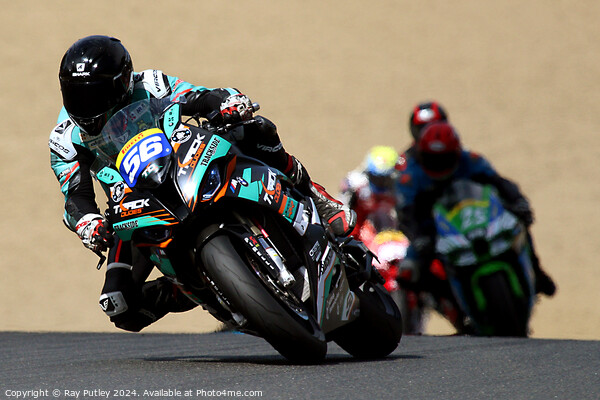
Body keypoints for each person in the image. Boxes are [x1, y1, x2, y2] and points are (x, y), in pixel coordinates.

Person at [48, 35, 355, 332]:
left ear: (122, 82)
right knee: (121, 305)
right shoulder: (64, 138)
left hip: (180, 165)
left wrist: (226, 101)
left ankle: (315, 196)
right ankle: (201, 286)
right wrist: (87, 221)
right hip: (132, 208)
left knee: (255, 130)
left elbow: (197, 96)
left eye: (94, 94)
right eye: (76, 94)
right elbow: (75, 195)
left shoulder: (149, 83)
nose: (85, 105)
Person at [396, 121, 556, 298]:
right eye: (433, 159)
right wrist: (418, 237)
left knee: (518, 223)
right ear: (421, 155)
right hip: (434, 229)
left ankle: (536, 270)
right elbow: (406, 214)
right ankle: (451, 302)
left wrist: (518, 202)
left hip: (478, 216)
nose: (439, 165)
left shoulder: (470, 160)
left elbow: (500, 183)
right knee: (407, 274)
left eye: (445, 158)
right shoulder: (411, 176)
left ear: (456, 151)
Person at [339, 146, 401, 237]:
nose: (381, 182)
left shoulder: (401, 184)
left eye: (385, 178)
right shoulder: (354, 183)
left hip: (391, 228)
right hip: (362, 227)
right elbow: (342, 210)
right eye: (377, 178)